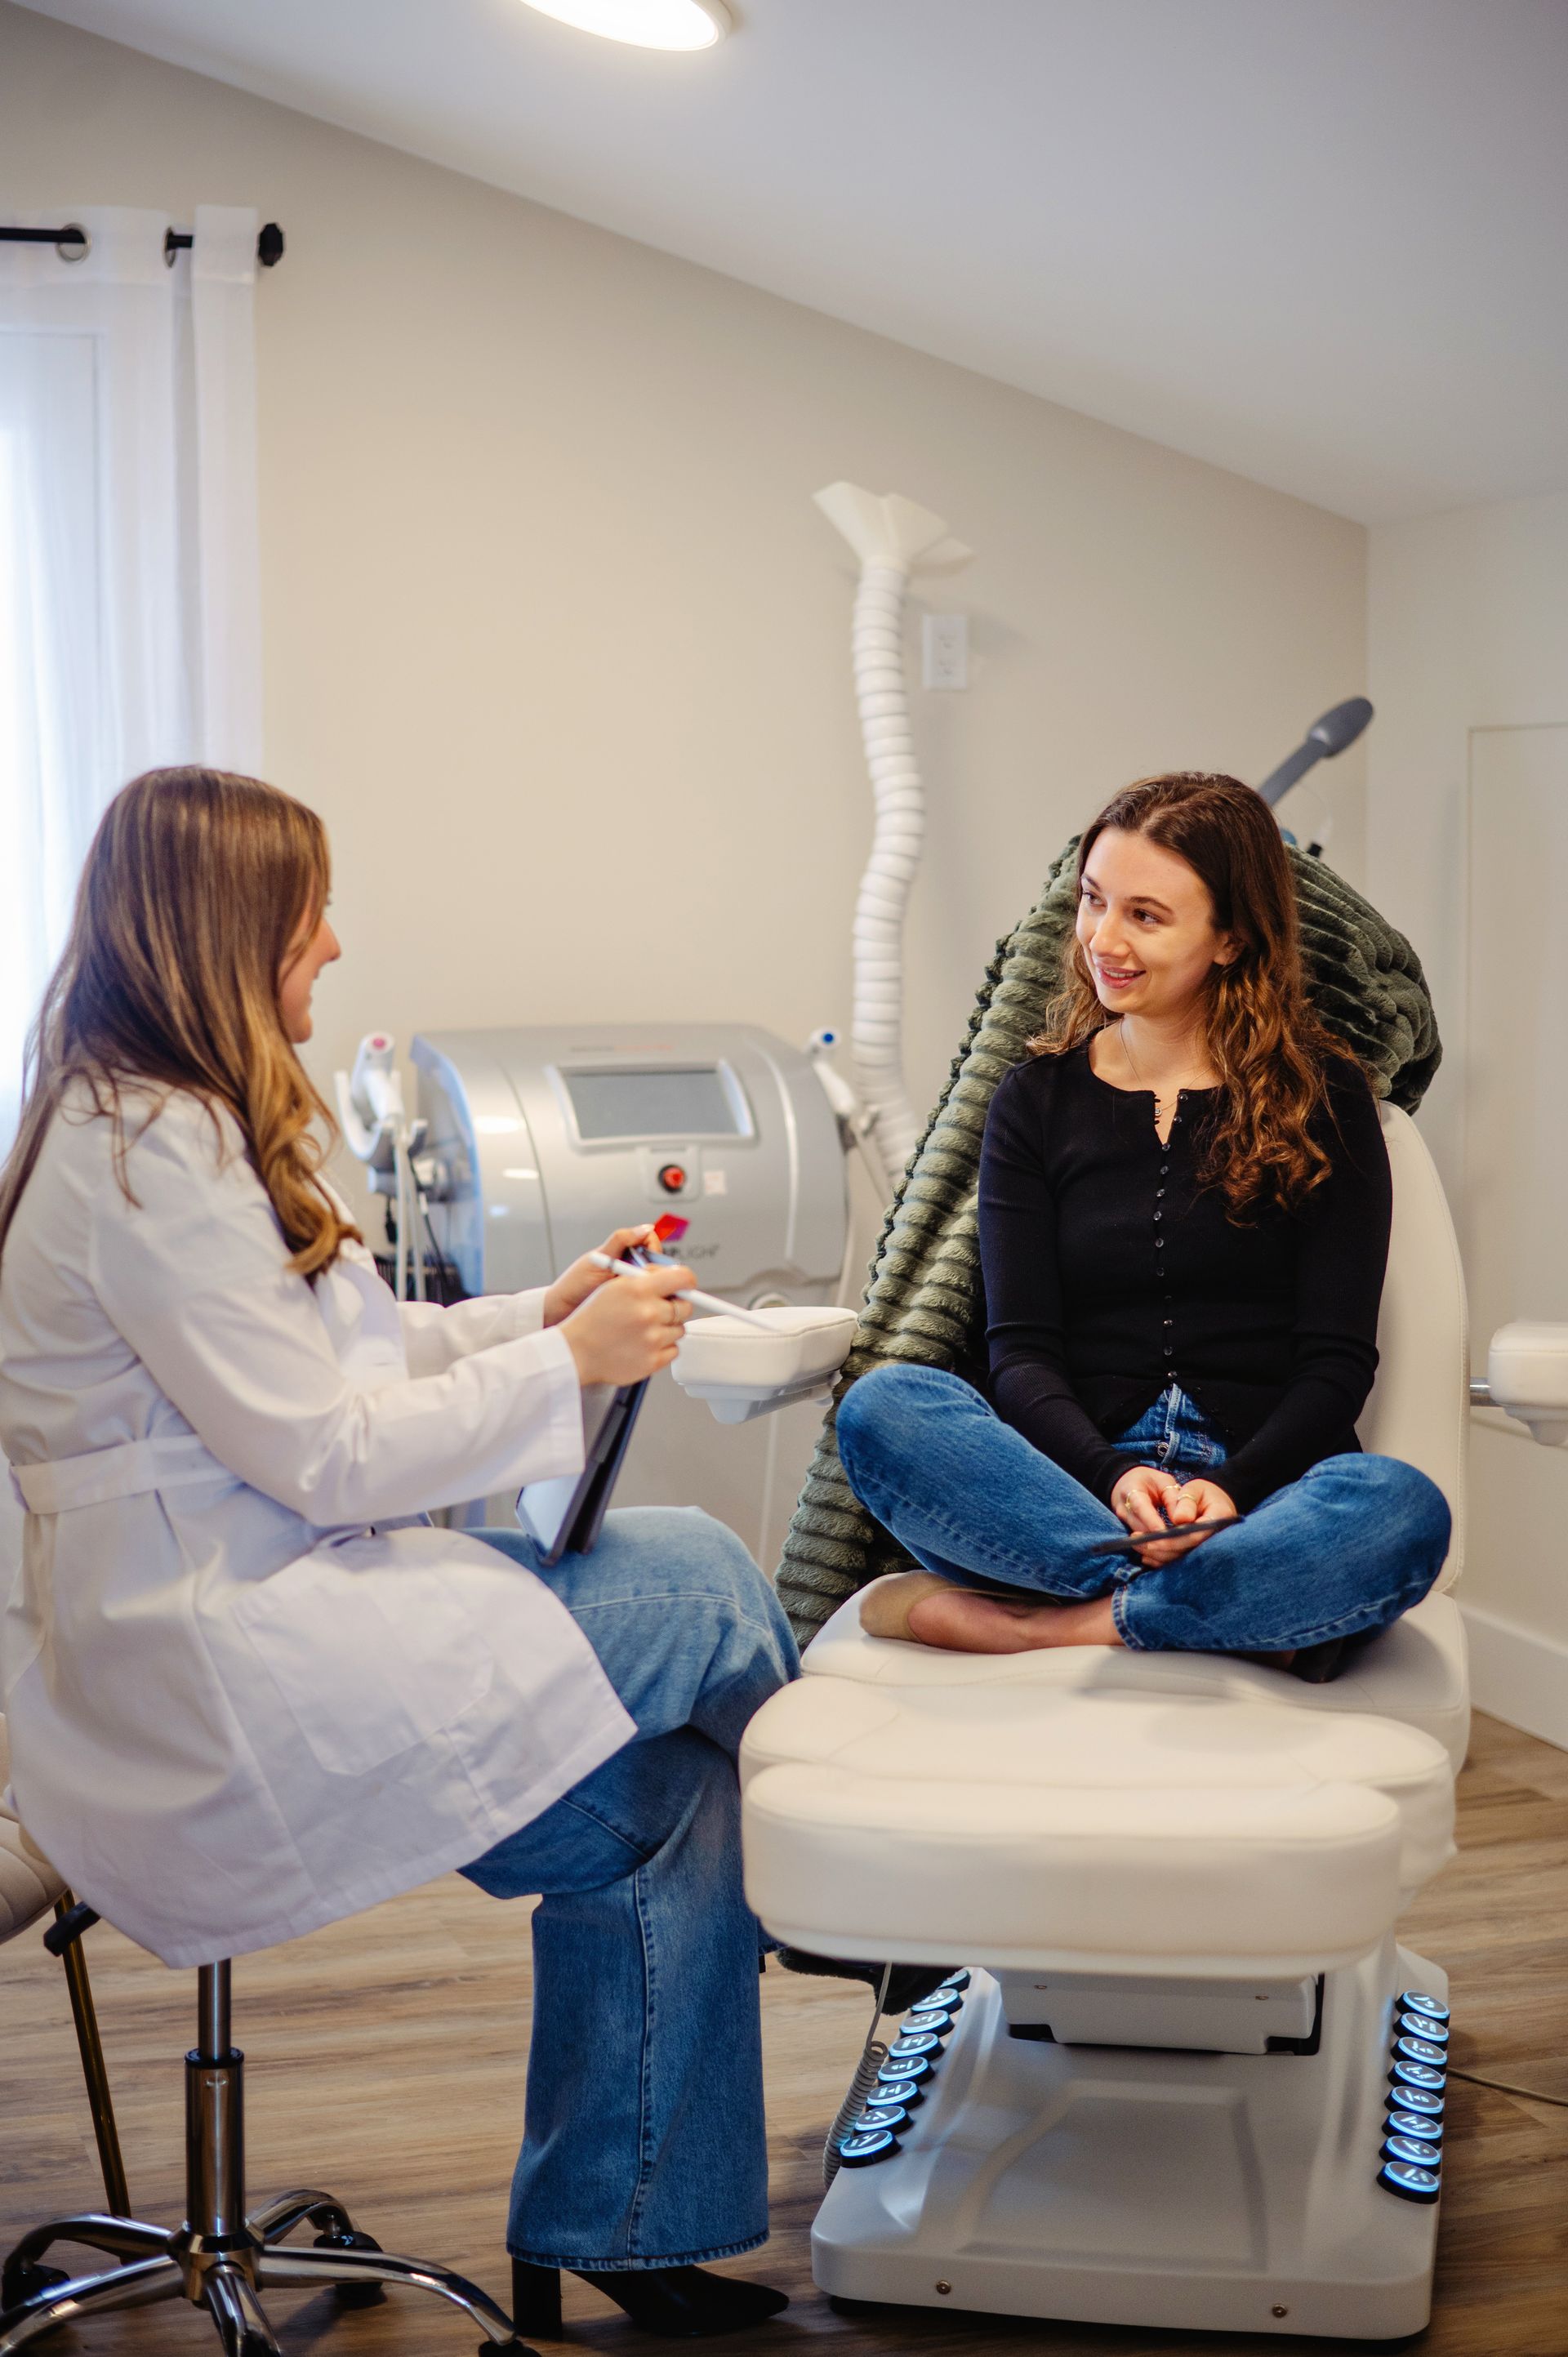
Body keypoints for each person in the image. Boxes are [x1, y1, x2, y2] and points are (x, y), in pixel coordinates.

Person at [0, 767, 797, 2338]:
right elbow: (326, 1450)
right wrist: (568, 1368)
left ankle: (625, 2225)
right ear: (230, 933)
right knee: (703, 1577)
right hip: (212, 1672)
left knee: (669, 1802)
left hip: (235, 1621)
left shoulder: (154, 1125)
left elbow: (342, 1362)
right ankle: (878, 1913)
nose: (334, 944)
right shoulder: (154, 1154)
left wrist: (539, 1318)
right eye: (310, 916)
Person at [835, 771, 1450, 1677]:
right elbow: (1023, 1354)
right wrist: (1113, 1478)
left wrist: (1229, 1491)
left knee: (1399, 1507)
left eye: (1146, 916)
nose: (1103, 939)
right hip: (1070, 1495)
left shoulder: (1327, 1097)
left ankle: (1047, 1625)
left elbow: (1336, 1362)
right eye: (1093, 900)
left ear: (1232, 937)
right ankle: (1248, 1613)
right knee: (885, 1408)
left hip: (1257, 1498)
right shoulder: (1034, 1100)